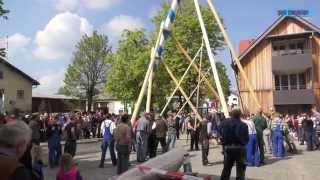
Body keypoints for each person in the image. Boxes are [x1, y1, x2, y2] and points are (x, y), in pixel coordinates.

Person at [219, 109, 249, 180]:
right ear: (240, 115)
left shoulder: (225, 123)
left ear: (231, 114)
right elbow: (246, 139)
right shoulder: (244, 125)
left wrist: (223, 142)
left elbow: (220, 133)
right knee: (240, 170)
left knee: (226, 169)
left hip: (229, 147)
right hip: (240, 148)